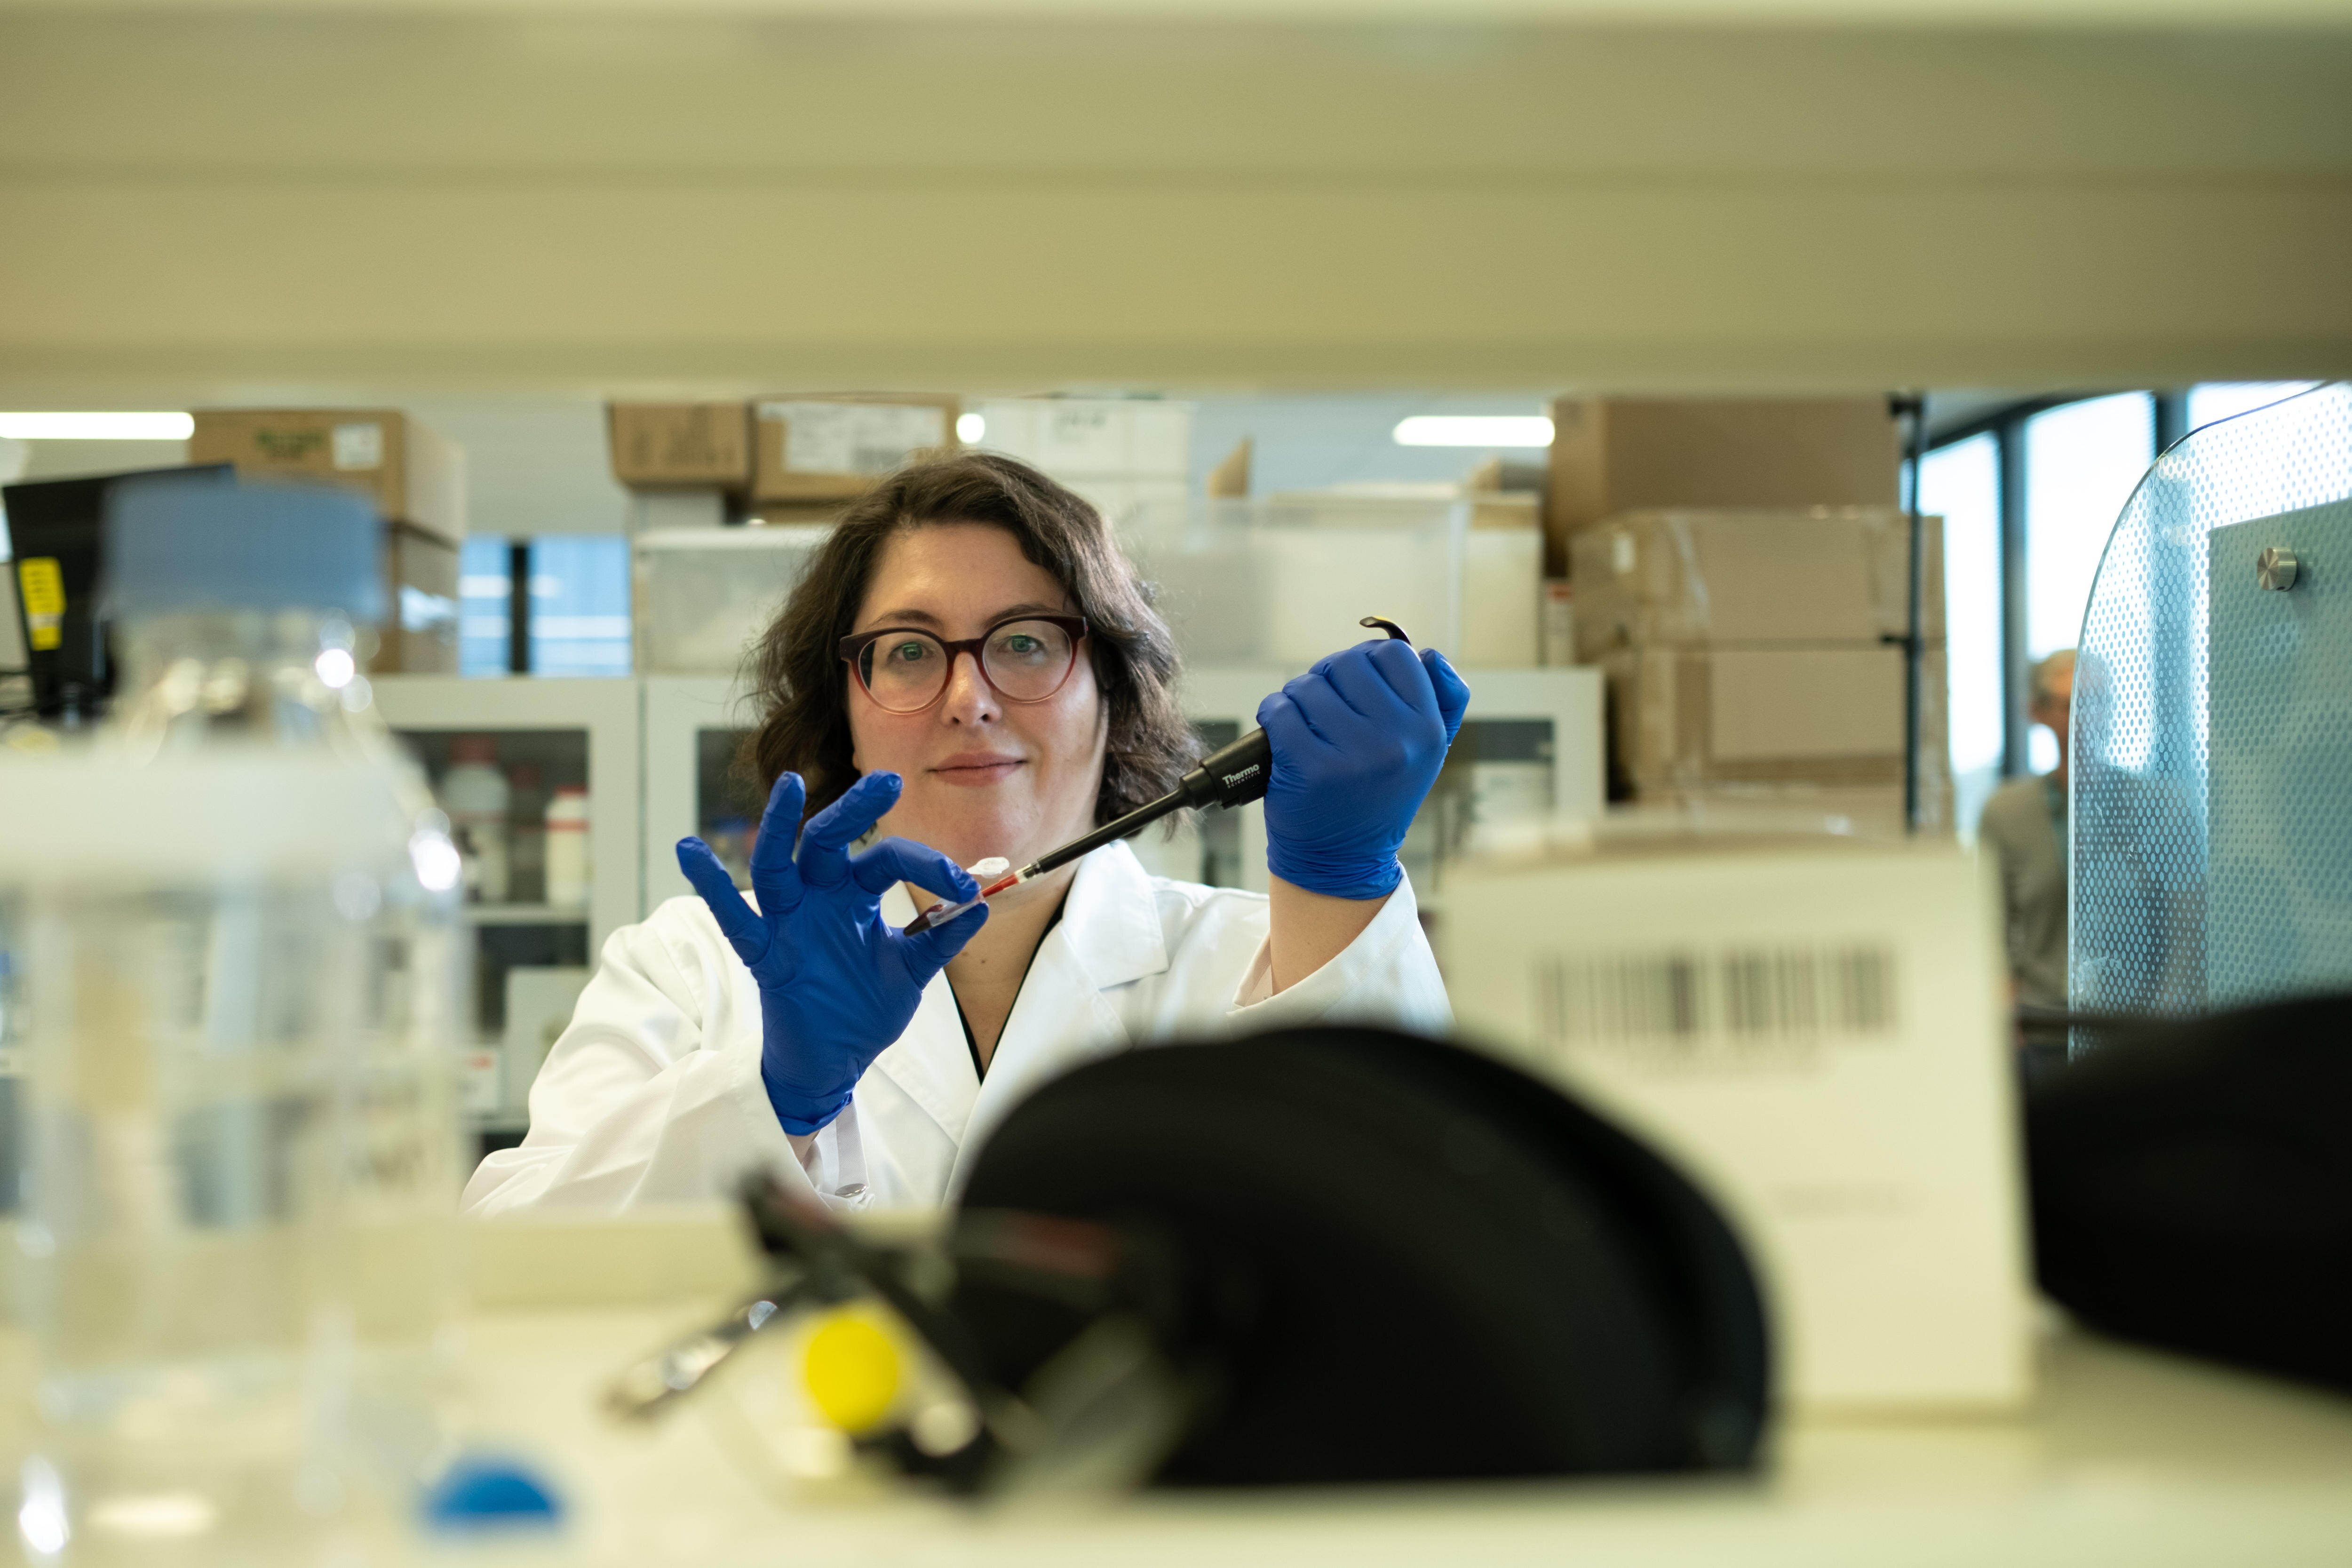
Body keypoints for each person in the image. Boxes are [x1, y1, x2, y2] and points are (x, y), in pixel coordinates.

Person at [463, 454, 1467, 1214]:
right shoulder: (691, 972)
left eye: (1025, 642)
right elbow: (515, 1256)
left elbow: (1423, 1230)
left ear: (1110, 694)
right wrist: (772, 1092)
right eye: (907, 652)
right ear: (842, 713)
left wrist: (1339, 883)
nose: (967, 697)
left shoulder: (1268, 962)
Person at [1977, 650, 2075, 1010]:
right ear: (2039, 712)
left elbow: (2183, 931)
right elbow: (1990, 925)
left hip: (2133, 1026)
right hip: (2041, 1019)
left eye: (2096, 701)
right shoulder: (2008, 813)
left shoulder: (2157, 809)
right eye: (2069, 704)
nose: (2085, 717)